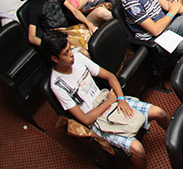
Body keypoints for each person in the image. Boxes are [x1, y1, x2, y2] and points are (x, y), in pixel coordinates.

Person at [43, 30, 168, 169]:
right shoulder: (57, 85)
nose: (71, 54)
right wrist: (109, 102)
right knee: (138, 149)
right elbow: (85, 120)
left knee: (159, 112)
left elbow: (110, 77)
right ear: (54, 59)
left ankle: (173, 141)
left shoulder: (78, 57)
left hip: (108, 100)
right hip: (97, 119)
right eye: (66, 53)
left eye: (70, 49)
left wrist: (121, 100)